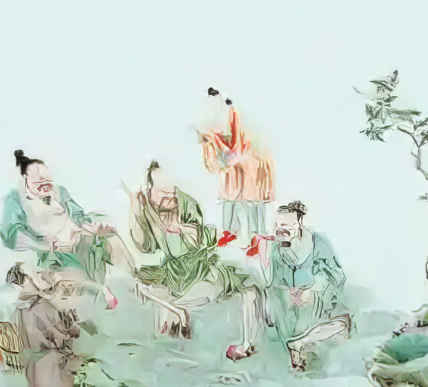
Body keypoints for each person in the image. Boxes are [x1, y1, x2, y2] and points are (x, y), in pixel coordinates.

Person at [126, 161, 254, 339]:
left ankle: (177, 311)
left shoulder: (186, 204)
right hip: (172, 272)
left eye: (172, 192)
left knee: (210, 286)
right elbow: (145, 246)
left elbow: (201, 238)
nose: (170, 198)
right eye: (163, 193)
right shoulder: (147, 207)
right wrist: (137, 212)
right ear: (149, 189)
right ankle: (176, 311)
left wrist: (182, 229)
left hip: (198, 269)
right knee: (136, 284)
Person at [0, 151, 137, 310]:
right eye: (36, 177)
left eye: (46, 176)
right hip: (56, 255)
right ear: (25, 179)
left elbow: (78, 214)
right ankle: (100, 295)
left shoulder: (60, 192)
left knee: (111, 241)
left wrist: (92, 228)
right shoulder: (16, 199)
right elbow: (12, 235)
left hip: (80, 241)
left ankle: (136, 283)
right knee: (75, 283)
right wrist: (44, 244)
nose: (43, 181)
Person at [5, 263, 147, 387]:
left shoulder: (20, 310)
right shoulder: (40, 306)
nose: (39, 277)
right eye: (33, 275)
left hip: (40, 370)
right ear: (25, 281)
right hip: (58, 366)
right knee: (93, 373)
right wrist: (73, 326)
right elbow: (62, 333)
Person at [235, 201, 351, 370]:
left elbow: (335, 275)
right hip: (284, 303)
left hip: (314, 299)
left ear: (299, 223)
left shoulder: (318, 242)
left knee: (342, 324)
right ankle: (249, 344)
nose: (282, 229)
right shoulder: (276, 246)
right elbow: (271, 281)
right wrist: (263, 258)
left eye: (287, 224)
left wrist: (311, 290)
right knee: (251, 293)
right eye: (279, 224)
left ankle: (300, 343)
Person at [196, 88, 275, 247]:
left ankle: (257, 237)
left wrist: (229, 154)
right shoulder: (211, 123)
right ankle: (230, 232)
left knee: (254, 200)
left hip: (250, 163)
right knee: (229, 197)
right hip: (233, 167)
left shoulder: (235, 115)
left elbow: (238, 147)